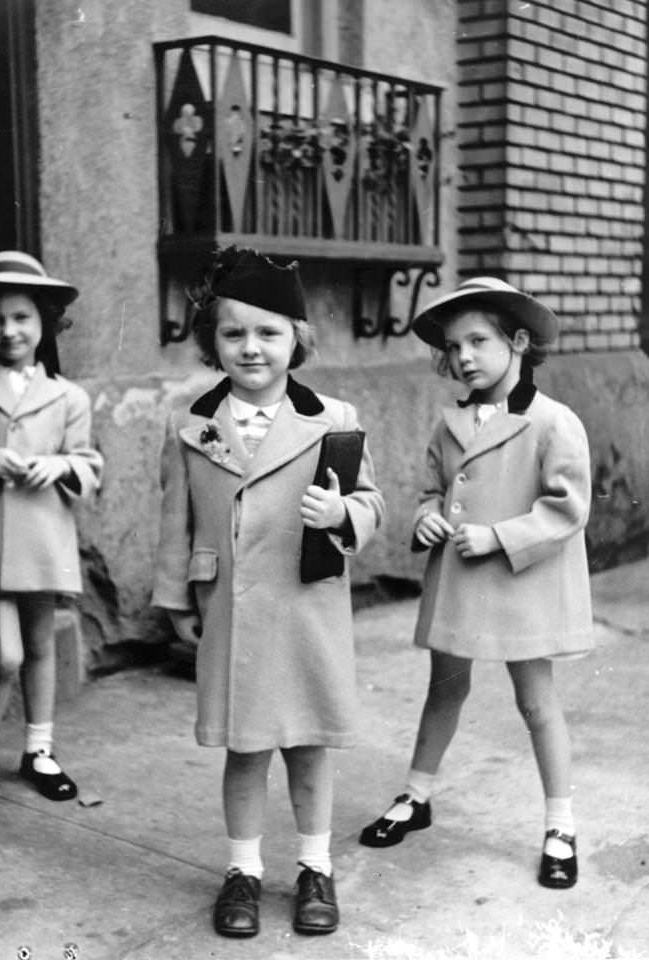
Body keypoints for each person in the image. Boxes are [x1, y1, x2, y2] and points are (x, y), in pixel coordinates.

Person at [152, 246, 385, 938]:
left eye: (268, 332)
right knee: (245, 747)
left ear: (297, 340)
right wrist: (173, 600)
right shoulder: (190, 423)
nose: (250, 348)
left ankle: (315, 867)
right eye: (233, 333)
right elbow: (175, 518)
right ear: (212, 342)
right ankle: (244, 871)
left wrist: (342, 514)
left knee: (310, 744)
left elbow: (371, 500)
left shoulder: (332, 418)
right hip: (231, 606)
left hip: (307, 604)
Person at [359, 277, 593, 890]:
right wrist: (426, 516)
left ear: (518, 341)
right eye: (455, 346)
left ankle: (560, 825)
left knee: (536, 701)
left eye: (479, 341)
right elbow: (429, 489)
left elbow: (568, 508)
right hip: (461, 581)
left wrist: (500, 536)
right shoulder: (450, 421)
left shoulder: (552, 422)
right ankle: (417, 795)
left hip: (521, 584)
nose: (464, 356)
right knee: (445, 687)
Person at [0, 251, 103, 821]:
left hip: (42, 536)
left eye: (21, 317)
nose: (8, 330)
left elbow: (89, 463)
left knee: (41, 644)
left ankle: (38, 750)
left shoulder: (68, 397)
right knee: (2, 654)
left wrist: (58, 468)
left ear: (46, 324)